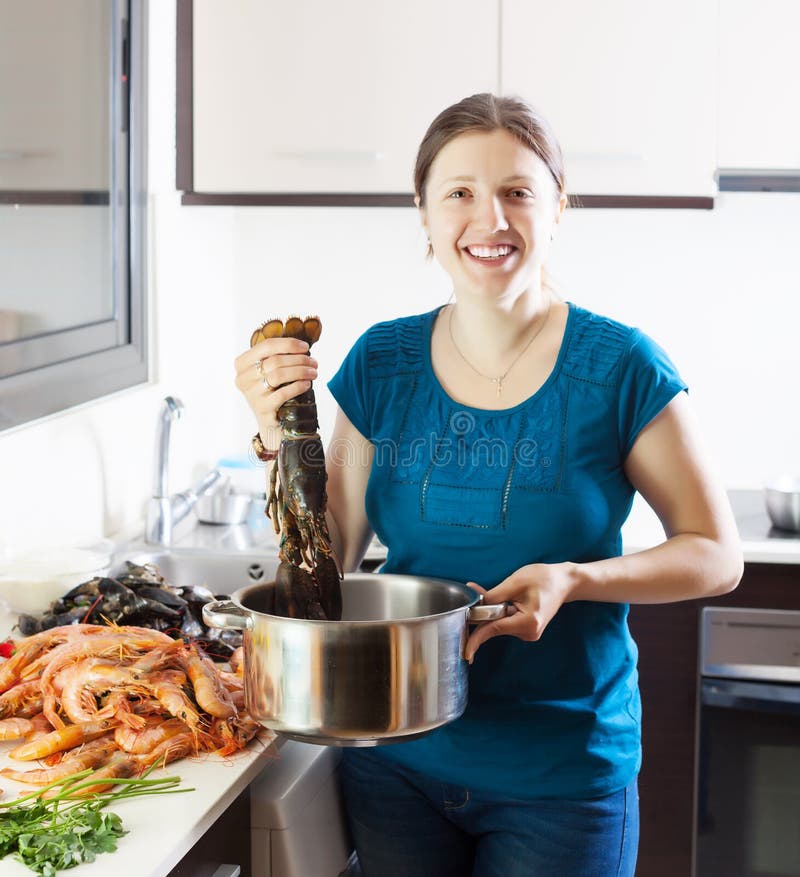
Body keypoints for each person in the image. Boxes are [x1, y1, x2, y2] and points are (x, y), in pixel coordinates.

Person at [235, 93, 743, 877]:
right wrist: (280, 433)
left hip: (562, 777)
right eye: (460, 193)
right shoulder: (382, 362)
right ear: (425, 211)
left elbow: (717, 553)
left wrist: (576, 579)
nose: (490, 220)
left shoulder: (620, 367)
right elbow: (325, 562)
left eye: (517, 192)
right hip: (397, 756)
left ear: (559, 206)